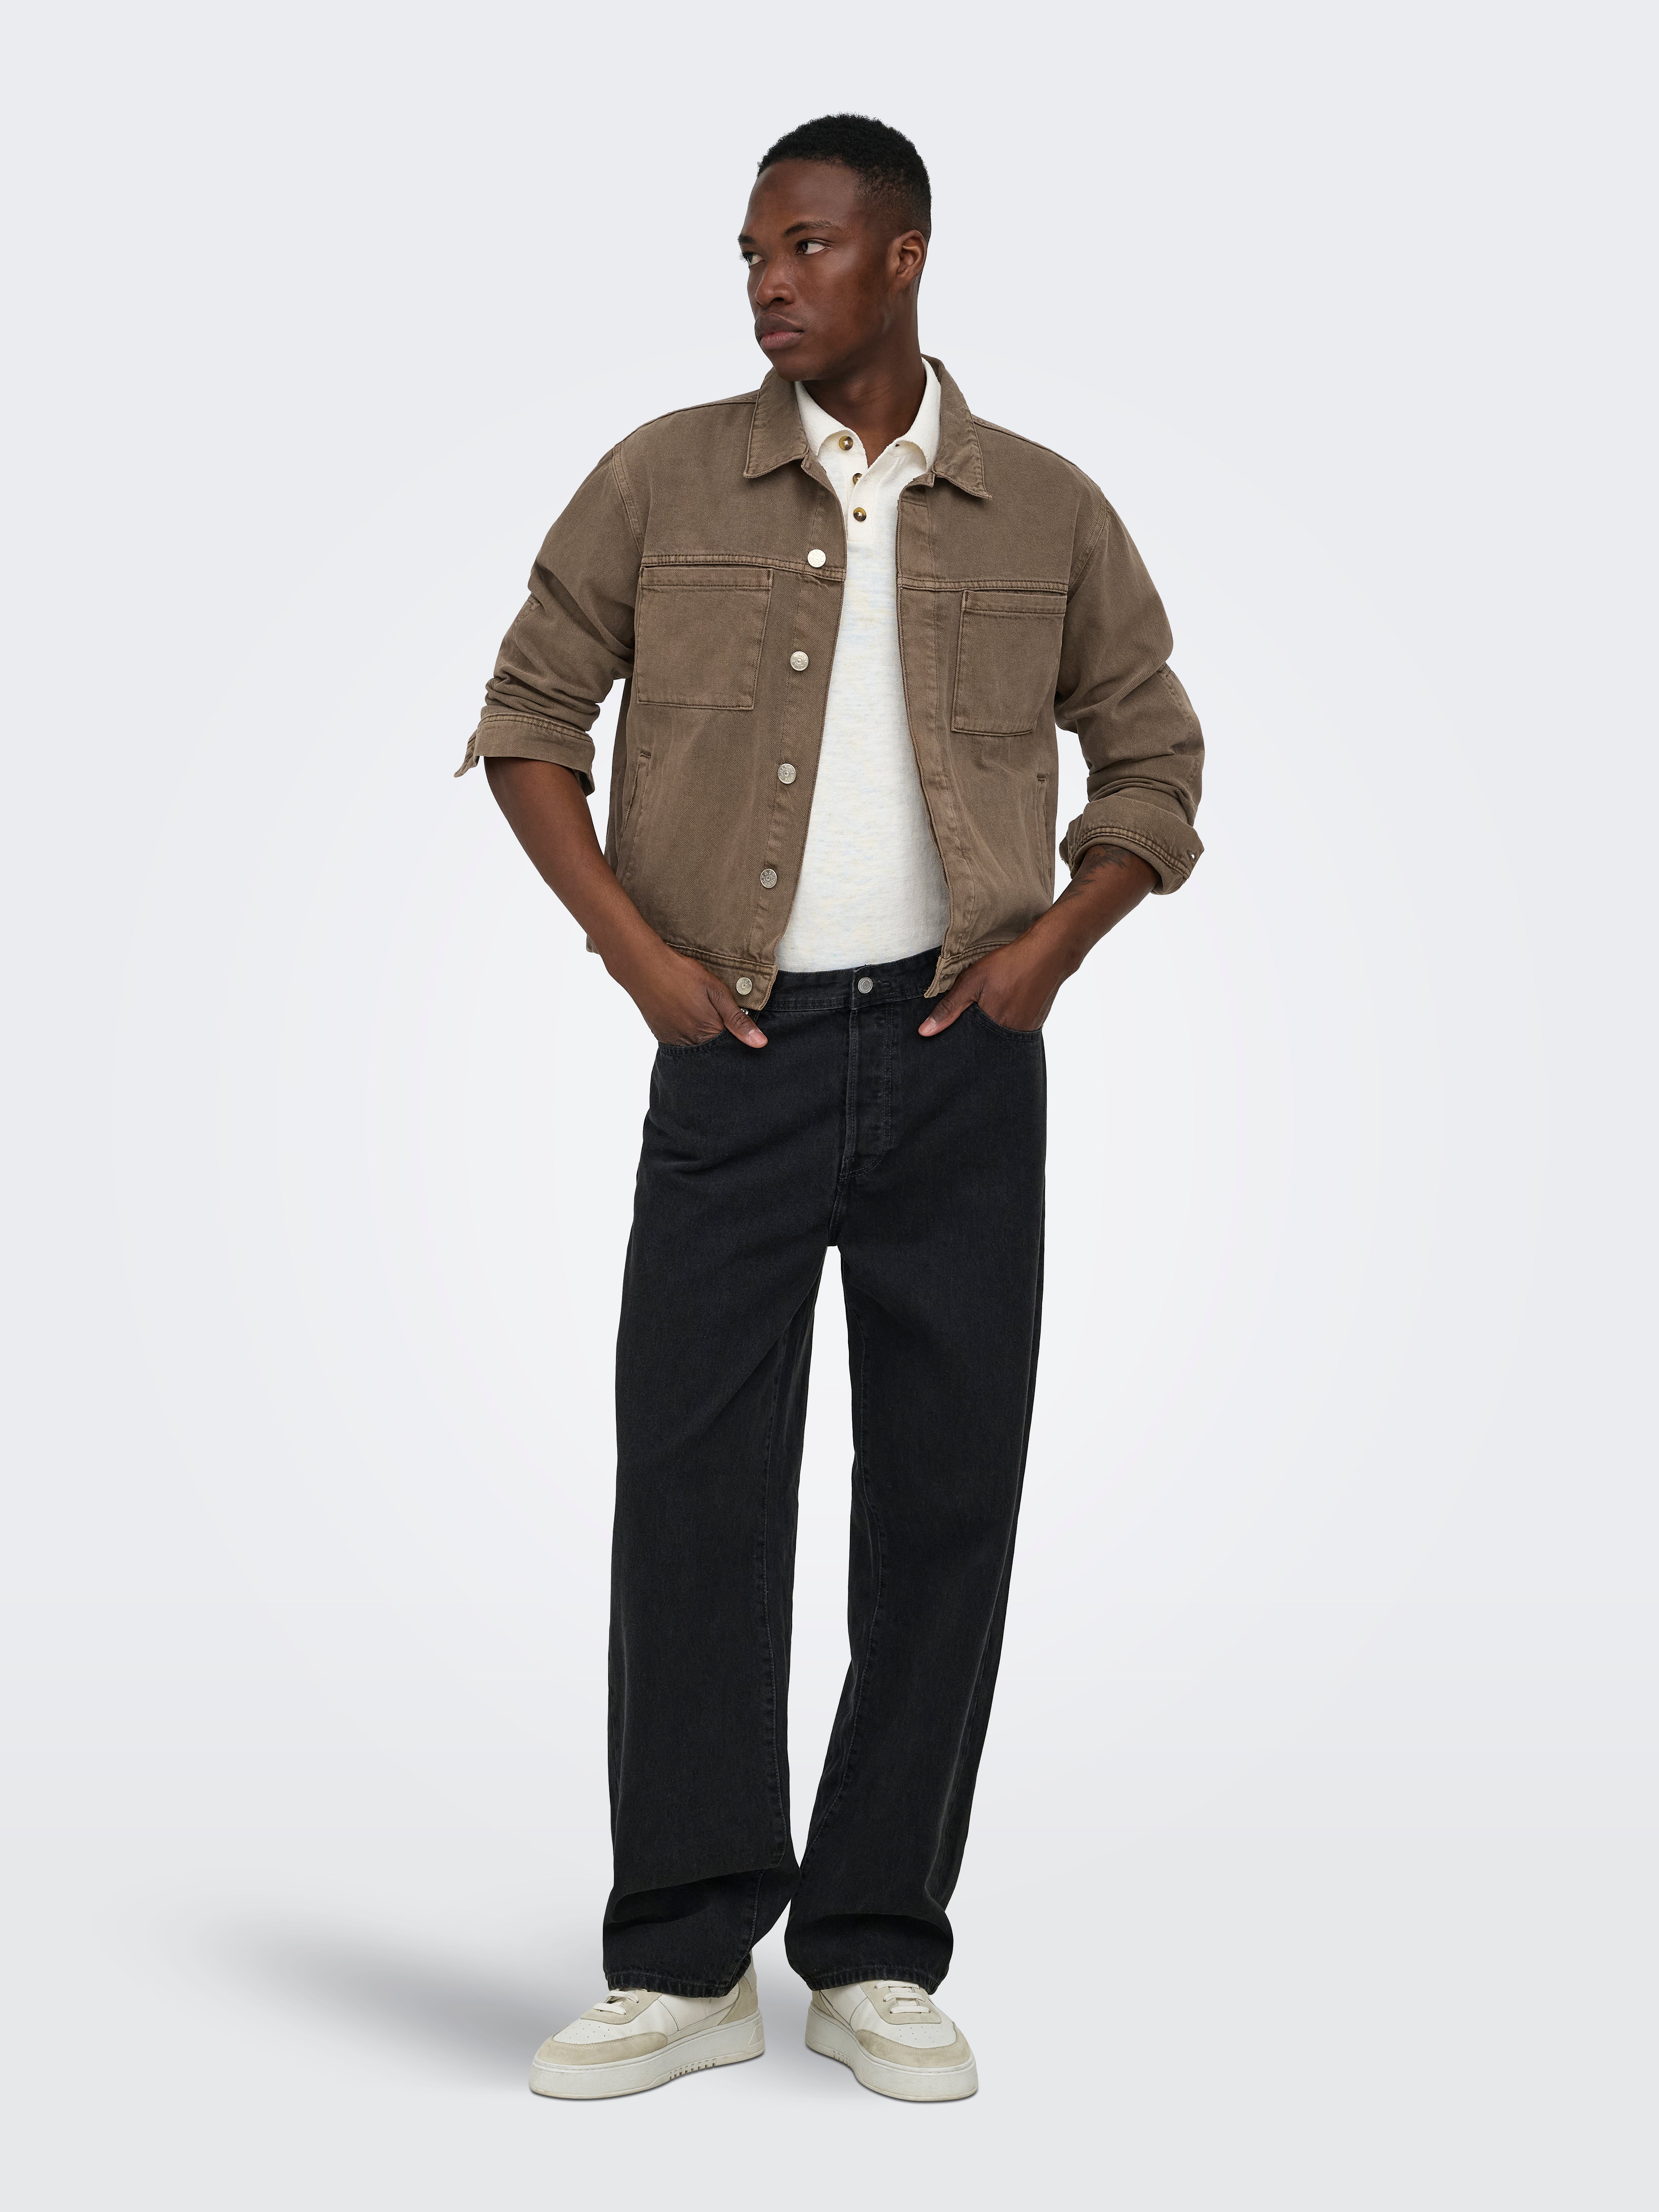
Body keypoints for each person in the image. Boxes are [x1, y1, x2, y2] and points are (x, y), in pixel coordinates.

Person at [459, 112, 1204, 2103]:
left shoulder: (1043, 507)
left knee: (944, 1500)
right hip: (736, 1055)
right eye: (748, 254)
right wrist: (637, 956)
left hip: (966, 1056)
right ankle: (685, 1957)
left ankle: (875, 1945)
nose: (767, 283)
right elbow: (528, 716)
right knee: (696, 1495)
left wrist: (1047, 957)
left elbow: (1153, 757)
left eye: (801, 246)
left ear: (903, 257)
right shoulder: (661, 477)